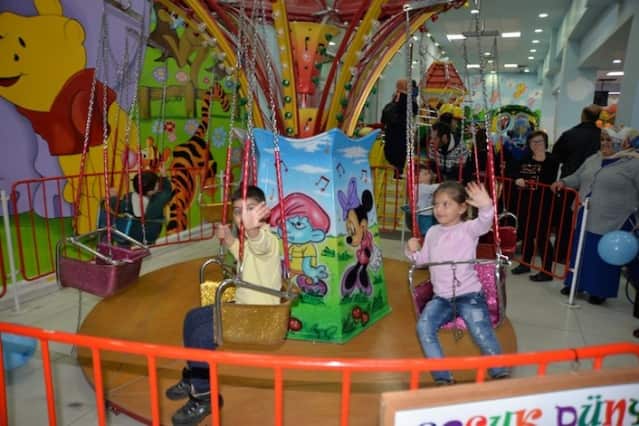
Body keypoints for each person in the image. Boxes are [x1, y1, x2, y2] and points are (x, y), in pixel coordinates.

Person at [167, 185, 282, 425]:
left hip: (259, 317)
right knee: (192, 317)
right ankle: (194, 375)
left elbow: (260, 245)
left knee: (201, 336)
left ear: (264, 212)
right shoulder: (246, 240)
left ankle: (204, 397)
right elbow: (244, 254)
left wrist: (252, 228)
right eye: (238, 211)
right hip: (242, 307)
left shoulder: (269, 240)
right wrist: (229, 239)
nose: (243, 216)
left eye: (251, 209)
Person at [405, 181, 509, 385]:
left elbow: (484, 222)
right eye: (436, 204)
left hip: (469, 296)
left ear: (462, 208)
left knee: (480, 331)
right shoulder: (433, 232)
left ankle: (499, 370)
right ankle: (442, 376)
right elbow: (422, 261)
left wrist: (486, 206)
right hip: (441, 298)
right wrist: (412, 250)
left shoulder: (468, 229)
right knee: (424, 328)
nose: (439, 209)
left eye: (446, 204)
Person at [551, 127, 639, 305]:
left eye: (610, 141)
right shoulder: (594, 158)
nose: (605, 143)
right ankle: (575, 284)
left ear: (624, 143)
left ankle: (599, 290)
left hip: (614, 218)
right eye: (603, 140)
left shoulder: (633, 163)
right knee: (580, 251)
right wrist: (563, 182)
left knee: (603, 255)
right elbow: (578, 177)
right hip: (585, 213)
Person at [551, 104, 602, 258]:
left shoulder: (570, 134)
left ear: (582, 116)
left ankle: (561, 253)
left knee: (565, 219)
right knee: (587, 221)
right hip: (592, 184)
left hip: (568, 181)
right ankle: (579, 253)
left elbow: (556, 156)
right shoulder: (601, 136)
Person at [510, 130, 559, 282]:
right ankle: (525, 264)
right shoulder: (525, 158)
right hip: (526, 202)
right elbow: (513, 171)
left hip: (545, 204)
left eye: (540, 141)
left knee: (542, 236)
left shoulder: (553, 160)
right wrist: (517, 178)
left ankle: (547, 270)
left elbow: (554, 179)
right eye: (533, 142)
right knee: (526, 234)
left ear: (545, 143)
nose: (536, 145)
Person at [102, 166, 172, 245]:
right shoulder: (158, 200)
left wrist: (113, 197)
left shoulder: (130, 199)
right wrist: (164, 176)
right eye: (157, 184)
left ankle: (116, 243)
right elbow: (167, 191)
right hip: (151, 236)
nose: (158, 184)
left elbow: (117, 207)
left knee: (113, 222)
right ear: (150, 191)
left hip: (132, 235)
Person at [381, 78, 418, 179]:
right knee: (399, 160)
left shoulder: (391, 104)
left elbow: (383, 120)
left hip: (391, 138)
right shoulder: (407, 102)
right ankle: (398, 173)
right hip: (401, 138)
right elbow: (414, 110)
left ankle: (396, 173)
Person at [414, 164, 439, 236]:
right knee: (426, 233)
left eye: (429, 174)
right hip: (423, 214)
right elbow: (435, 187)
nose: (429, 176)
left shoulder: (427, 186)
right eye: (425, 174)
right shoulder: (420, 187)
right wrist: (448, 184)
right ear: (417, 177)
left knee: (430, 231)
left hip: (428, 213)